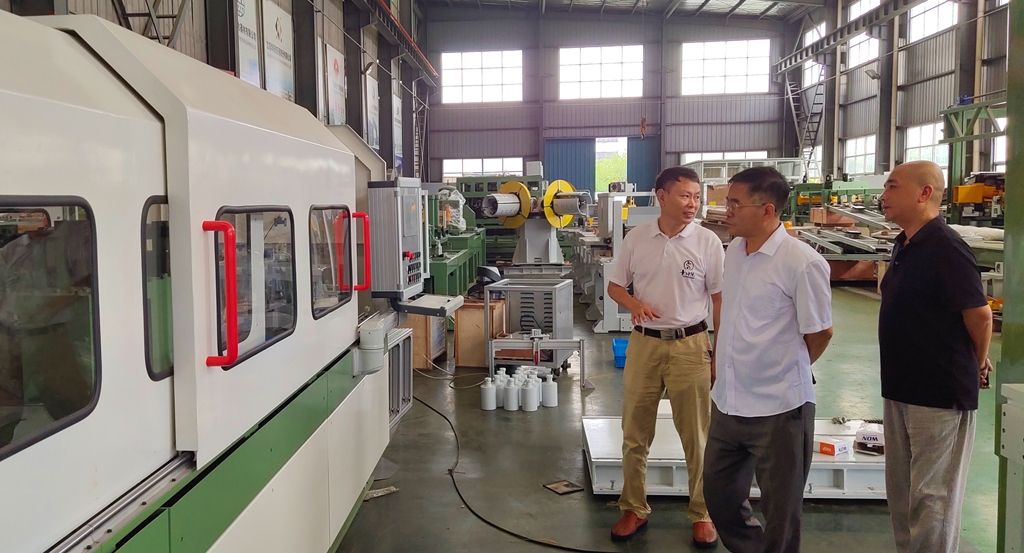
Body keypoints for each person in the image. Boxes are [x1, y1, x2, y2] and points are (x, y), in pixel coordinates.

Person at [703, 166, 834, 553]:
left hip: (779, 408)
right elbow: (730, 313)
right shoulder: (735, 251)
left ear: (767, 210)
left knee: (781, 512)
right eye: (727, 202)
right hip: (728, 402)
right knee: (719, 495)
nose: (726, 211)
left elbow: (820, 332)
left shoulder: (801, 262)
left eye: (735, 204)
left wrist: (782, 369)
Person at [877, 160, 992, 553]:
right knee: (902, 492)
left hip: (939, 394)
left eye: (893, 187)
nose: (883, 196)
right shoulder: (904, 243)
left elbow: (980, 315)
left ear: (925, 193)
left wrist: (977, 362)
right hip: (899, 388)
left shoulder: (946, 247)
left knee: (933, 498)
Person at [606, 166, 725, 548]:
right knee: (634, 433)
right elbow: (615, 286)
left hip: (691, 344)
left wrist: (718, 352)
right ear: (662, 196)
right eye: (685, 195)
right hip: (644, 344)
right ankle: (633, 507)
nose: (693, 204)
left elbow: (719, 300)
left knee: (697, 435)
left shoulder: (707, 242)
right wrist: (633, 304)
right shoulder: (638, 238)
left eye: (696, 197)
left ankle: (702, 513)